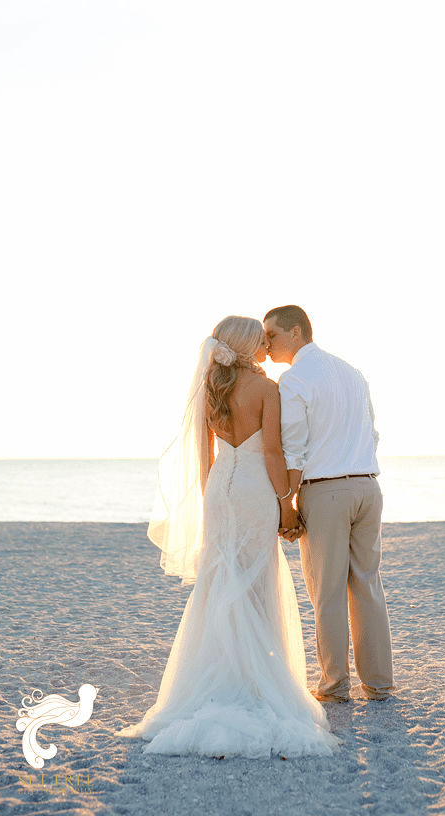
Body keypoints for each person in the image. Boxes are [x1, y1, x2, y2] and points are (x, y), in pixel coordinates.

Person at [118, 316, 339, 758]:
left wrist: (212, 499)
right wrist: (286, 505)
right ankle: (254, 682)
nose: (264, 345)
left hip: (220, 488)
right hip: (257, 487)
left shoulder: (210, 387)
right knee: (257, 582)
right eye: (259, 340)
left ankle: (215, 678)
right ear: (244, 346)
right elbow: (273, 452)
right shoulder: (267, 389)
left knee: (221, 578)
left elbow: (204, 456)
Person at [264, 305, 394, 703]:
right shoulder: (352, 373)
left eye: (272, 335)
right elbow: (372, 433)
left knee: (328, 591)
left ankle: (334, 686)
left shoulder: (294, 378)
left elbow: (294, 448)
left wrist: (288, 501)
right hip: (368, 488)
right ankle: (378, 685)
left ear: (297, 332)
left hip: (326, 491)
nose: (265, 344)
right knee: (367, 586)